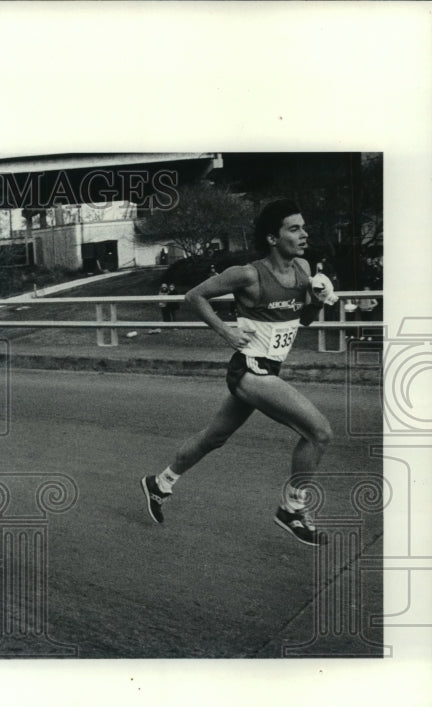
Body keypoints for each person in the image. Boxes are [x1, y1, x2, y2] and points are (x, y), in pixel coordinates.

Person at [140, 200, 338, 546]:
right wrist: (226, 332)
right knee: (319, 432)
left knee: (214, 437)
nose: (304, 234)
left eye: (303, 227)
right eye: (294, 229)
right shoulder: (248, 275)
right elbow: (194, 296)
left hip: (269, 369)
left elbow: (303, 320)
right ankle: (292, 509)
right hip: (249, 370)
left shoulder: (303, 269)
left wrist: (319, 301)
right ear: (272, 238)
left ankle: (160, 482)